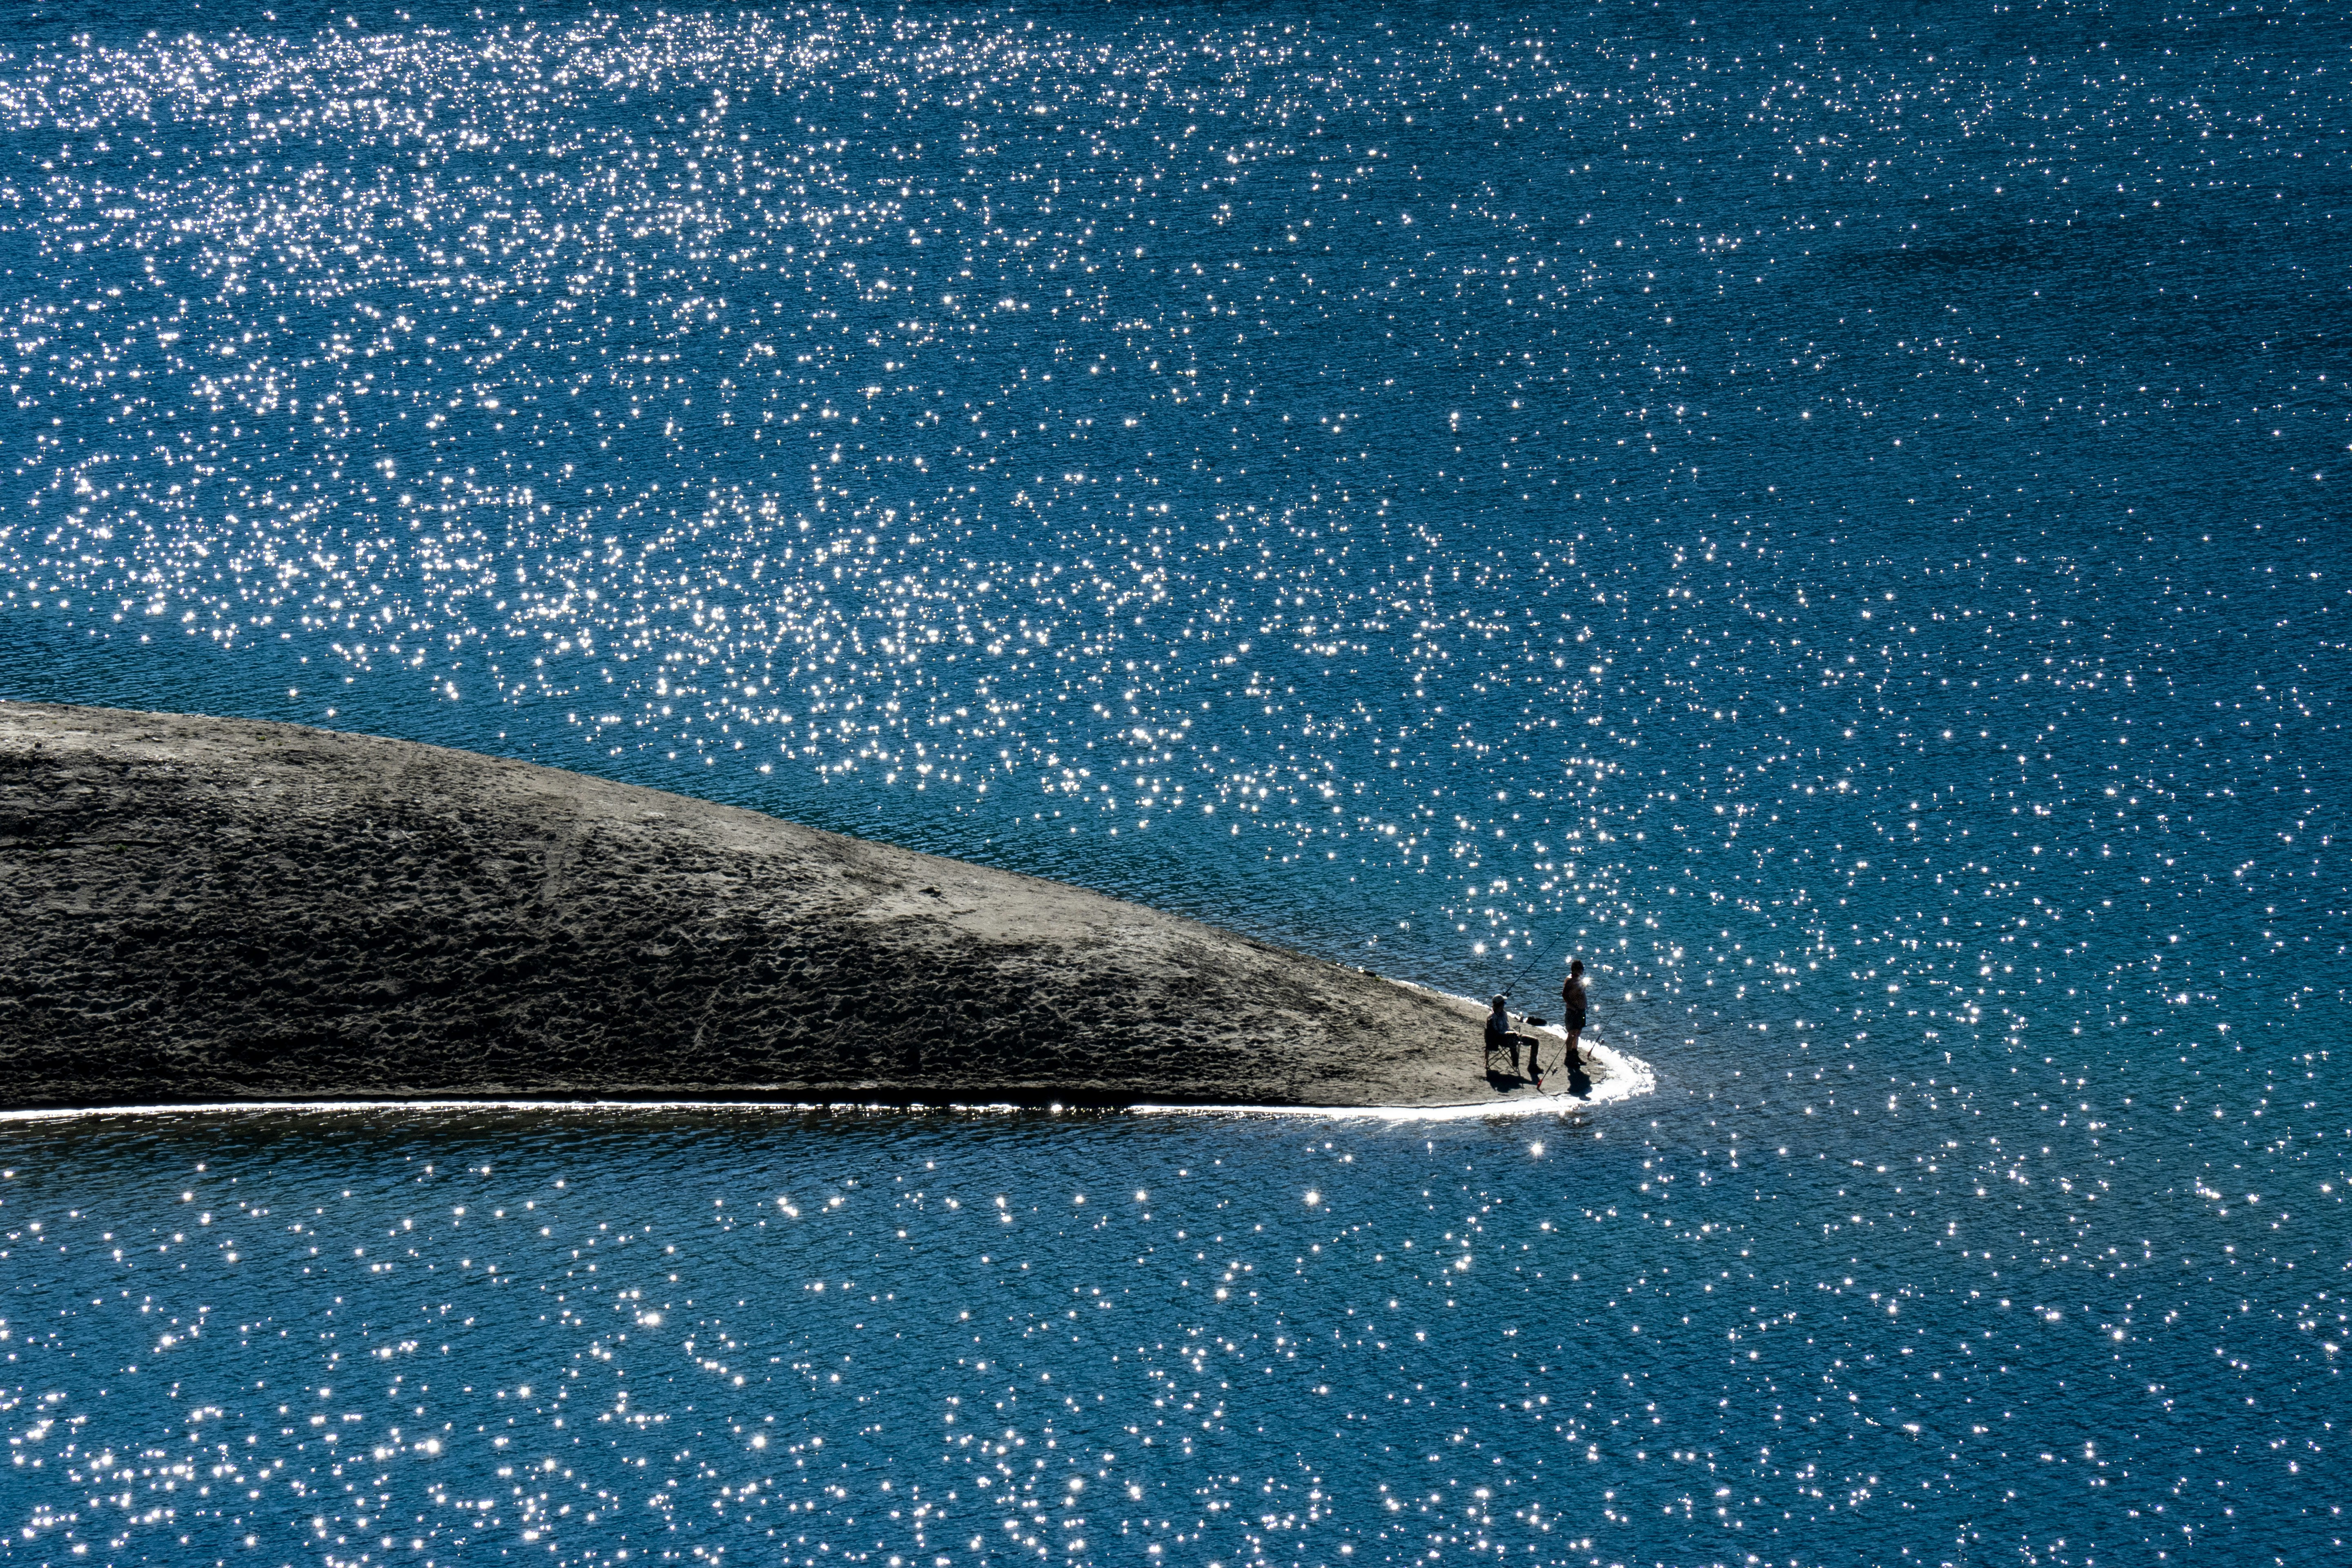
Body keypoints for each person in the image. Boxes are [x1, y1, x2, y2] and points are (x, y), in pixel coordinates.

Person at [1484, 995, 1537, 1079]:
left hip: (1513, 1036)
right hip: (1502, 1039)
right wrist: (1510, 1034)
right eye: (1504, 1003)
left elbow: (1508, 1026)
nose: (1505, 1005)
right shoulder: (1492, 1017)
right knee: (1512, 1038)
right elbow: (1494, 1034)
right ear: (1500, 1004)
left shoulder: (1504, 1014)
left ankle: (1533, 1066)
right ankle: (1515, 1062)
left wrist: (1514, 1032)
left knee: (1535, 1041)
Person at [1559, 959, 1590, 1088]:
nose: (1583, 971)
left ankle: (1575, 1054)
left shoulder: (1578, 980)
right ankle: (1568, 1056)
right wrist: (1574, 1006)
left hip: (1581, 1011)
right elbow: (1565, 995)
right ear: (1576, 970)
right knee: (1572, 1033)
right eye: (1581, 969)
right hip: (1573, 1011)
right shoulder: (1570, 980)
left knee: (1578, 1033)